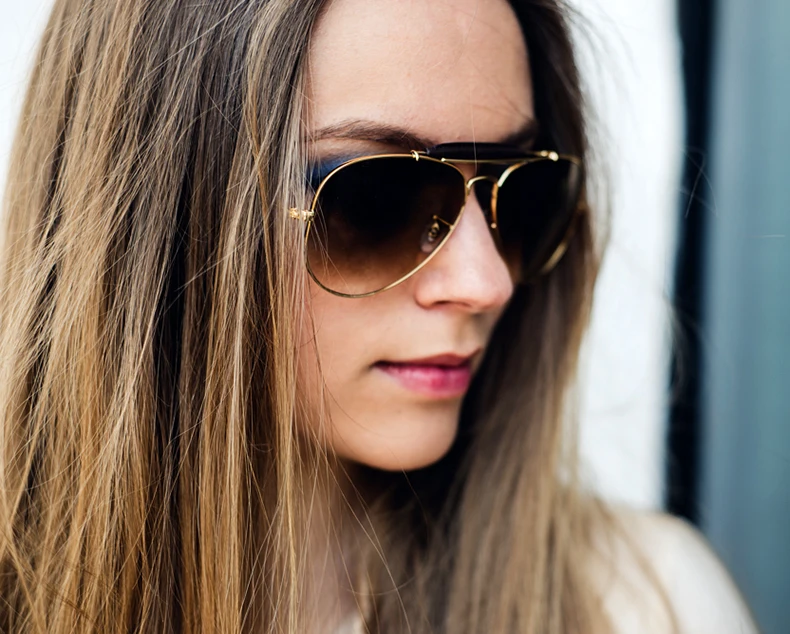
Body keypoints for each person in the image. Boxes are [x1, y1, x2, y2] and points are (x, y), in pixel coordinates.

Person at [0, 0, 758, 632]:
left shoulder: (650, 606)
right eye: (375, 199)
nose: (485, 282)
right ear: (155, 227)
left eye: (519, 191)